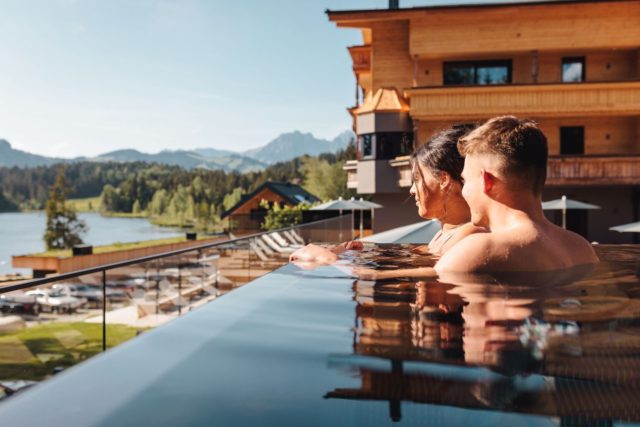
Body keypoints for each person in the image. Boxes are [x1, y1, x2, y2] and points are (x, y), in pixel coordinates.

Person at [289, 125, 484, 267]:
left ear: (443, 180)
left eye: (417, 178)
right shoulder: (445, 234)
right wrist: (350, 253)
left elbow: (382, 276)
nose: (412, 190)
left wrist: (326, 258)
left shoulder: (468, 236)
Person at [435, 115, 598, 275]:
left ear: (486, 181)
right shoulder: (581, 248)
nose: (464, 191)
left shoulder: (479, 250)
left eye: (466, 180)